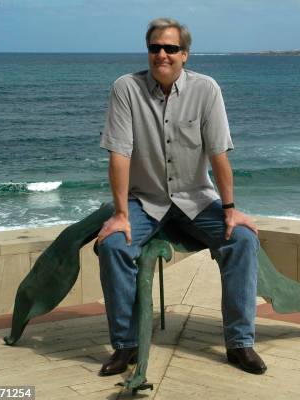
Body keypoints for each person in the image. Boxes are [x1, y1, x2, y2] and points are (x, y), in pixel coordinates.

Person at [96, 18, 266, 376]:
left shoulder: (207, 90)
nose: (162, 54)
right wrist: (121, 214)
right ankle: (126, 345)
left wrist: (231, 210)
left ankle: (239, 343)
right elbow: (119, 155)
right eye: (155, 47)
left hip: (197, 201)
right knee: (113, 247)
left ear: (184, 54)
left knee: (243, 240)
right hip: (146, 201)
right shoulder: (126, 89)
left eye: (170, 48)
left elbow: (219, 153)